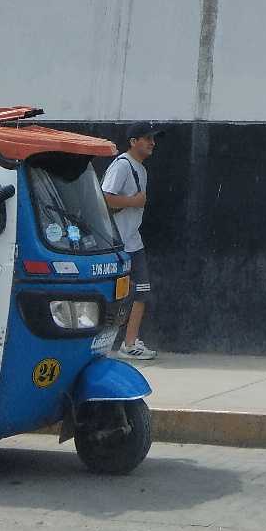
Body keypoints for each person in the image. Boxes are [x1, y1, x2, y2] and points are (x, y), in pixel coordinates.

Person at [102, 123, 159, 359]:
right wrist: (133, 202)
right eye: (147, 138)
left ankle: (130, 343)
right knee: (114, 294)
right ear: (133, 142)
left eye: (153, 139)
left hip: (134, 243)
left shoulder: (141, 170)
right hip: (117, 245)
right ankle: (104, 344)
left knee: (141, 292)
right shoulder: (122, 166)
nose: (152, 143)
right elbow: (104, 199)